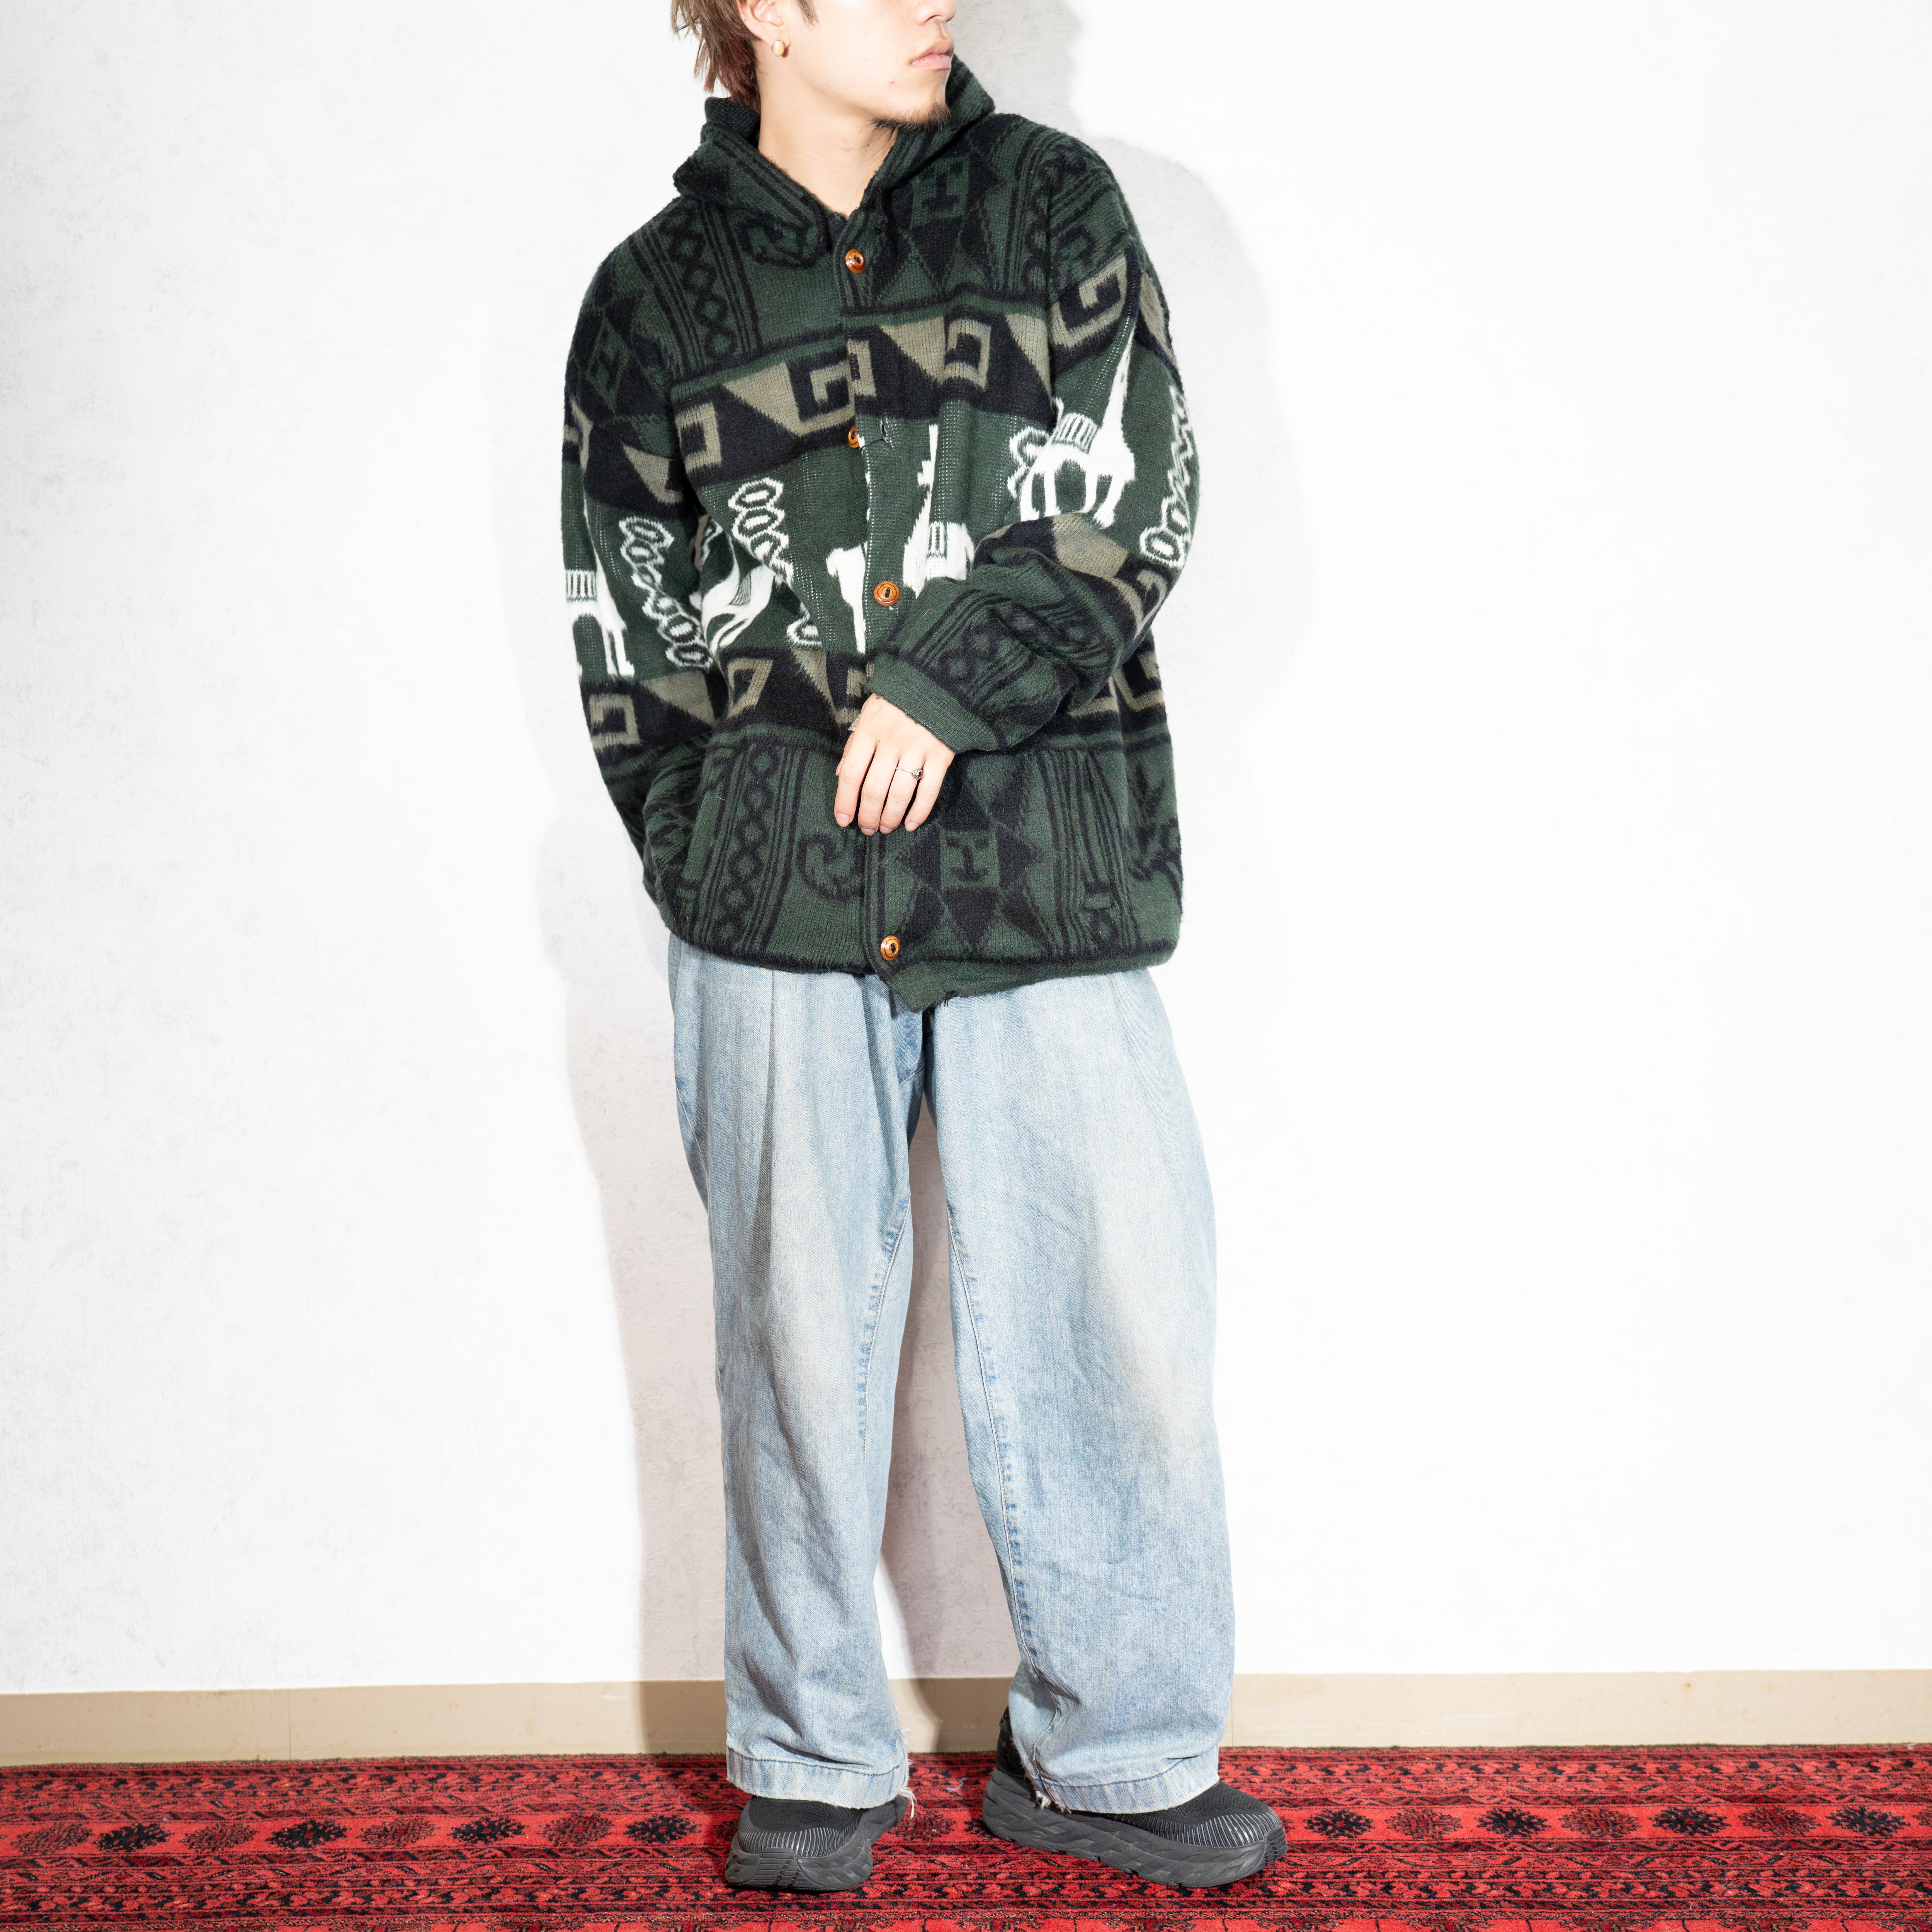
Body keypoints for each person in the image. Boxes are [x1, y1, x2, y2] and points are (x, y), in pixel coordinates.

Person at [561, 0, 1284, 1895]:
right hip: (775, 905)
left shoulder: (1050, 206)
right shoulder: (649, 301)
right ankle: (808, 1753)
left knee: (1118, 1311)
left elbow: (1135, 487)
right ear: (759, 11)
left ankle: (1116, 1756)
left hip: (1046, 862)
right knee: (791, 1329)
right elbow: (627, 625)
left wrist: (949, 687)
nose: (933, 1)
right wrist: (715, 852)